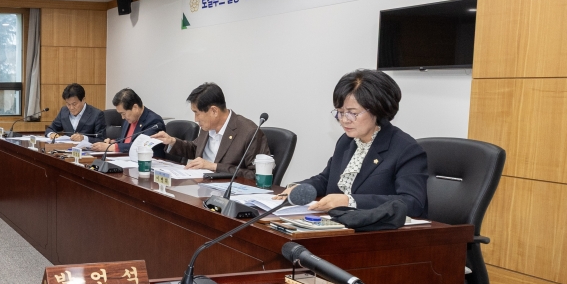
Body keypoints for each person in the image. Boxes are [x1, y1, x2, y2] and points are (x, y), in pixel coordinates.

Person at [277, 69, 428, 216]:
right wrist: (299, 188)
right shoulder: (347, 141)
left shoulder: (406, 149)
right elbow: (326, 179)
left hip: (376, 228)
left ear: (378, 110)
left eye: (352, 113)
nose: (344, 120)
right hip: (338, 222)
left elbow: (412, 203)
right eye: (340, 112)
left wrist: (350, 201)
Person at [151, 82, 270, 182]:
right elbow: (195, 149)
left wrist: (214, 166)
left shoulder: (249, 132)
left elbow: (255, 175)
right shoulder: (208, 126)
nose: (195, 119)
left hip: (230, 193)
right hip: (203, 185)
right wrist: (172, 141)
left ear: (214, 111)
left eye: (197, 113)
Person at [92, 88, 166, 155]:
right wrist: (112, 142)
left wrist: (111, 147)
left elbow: (142, 146)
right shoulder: (129, 119)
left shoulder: (154, 121)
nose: (122, 117)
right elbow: (126, 140)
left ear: (135, 107)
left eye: (123, 113)